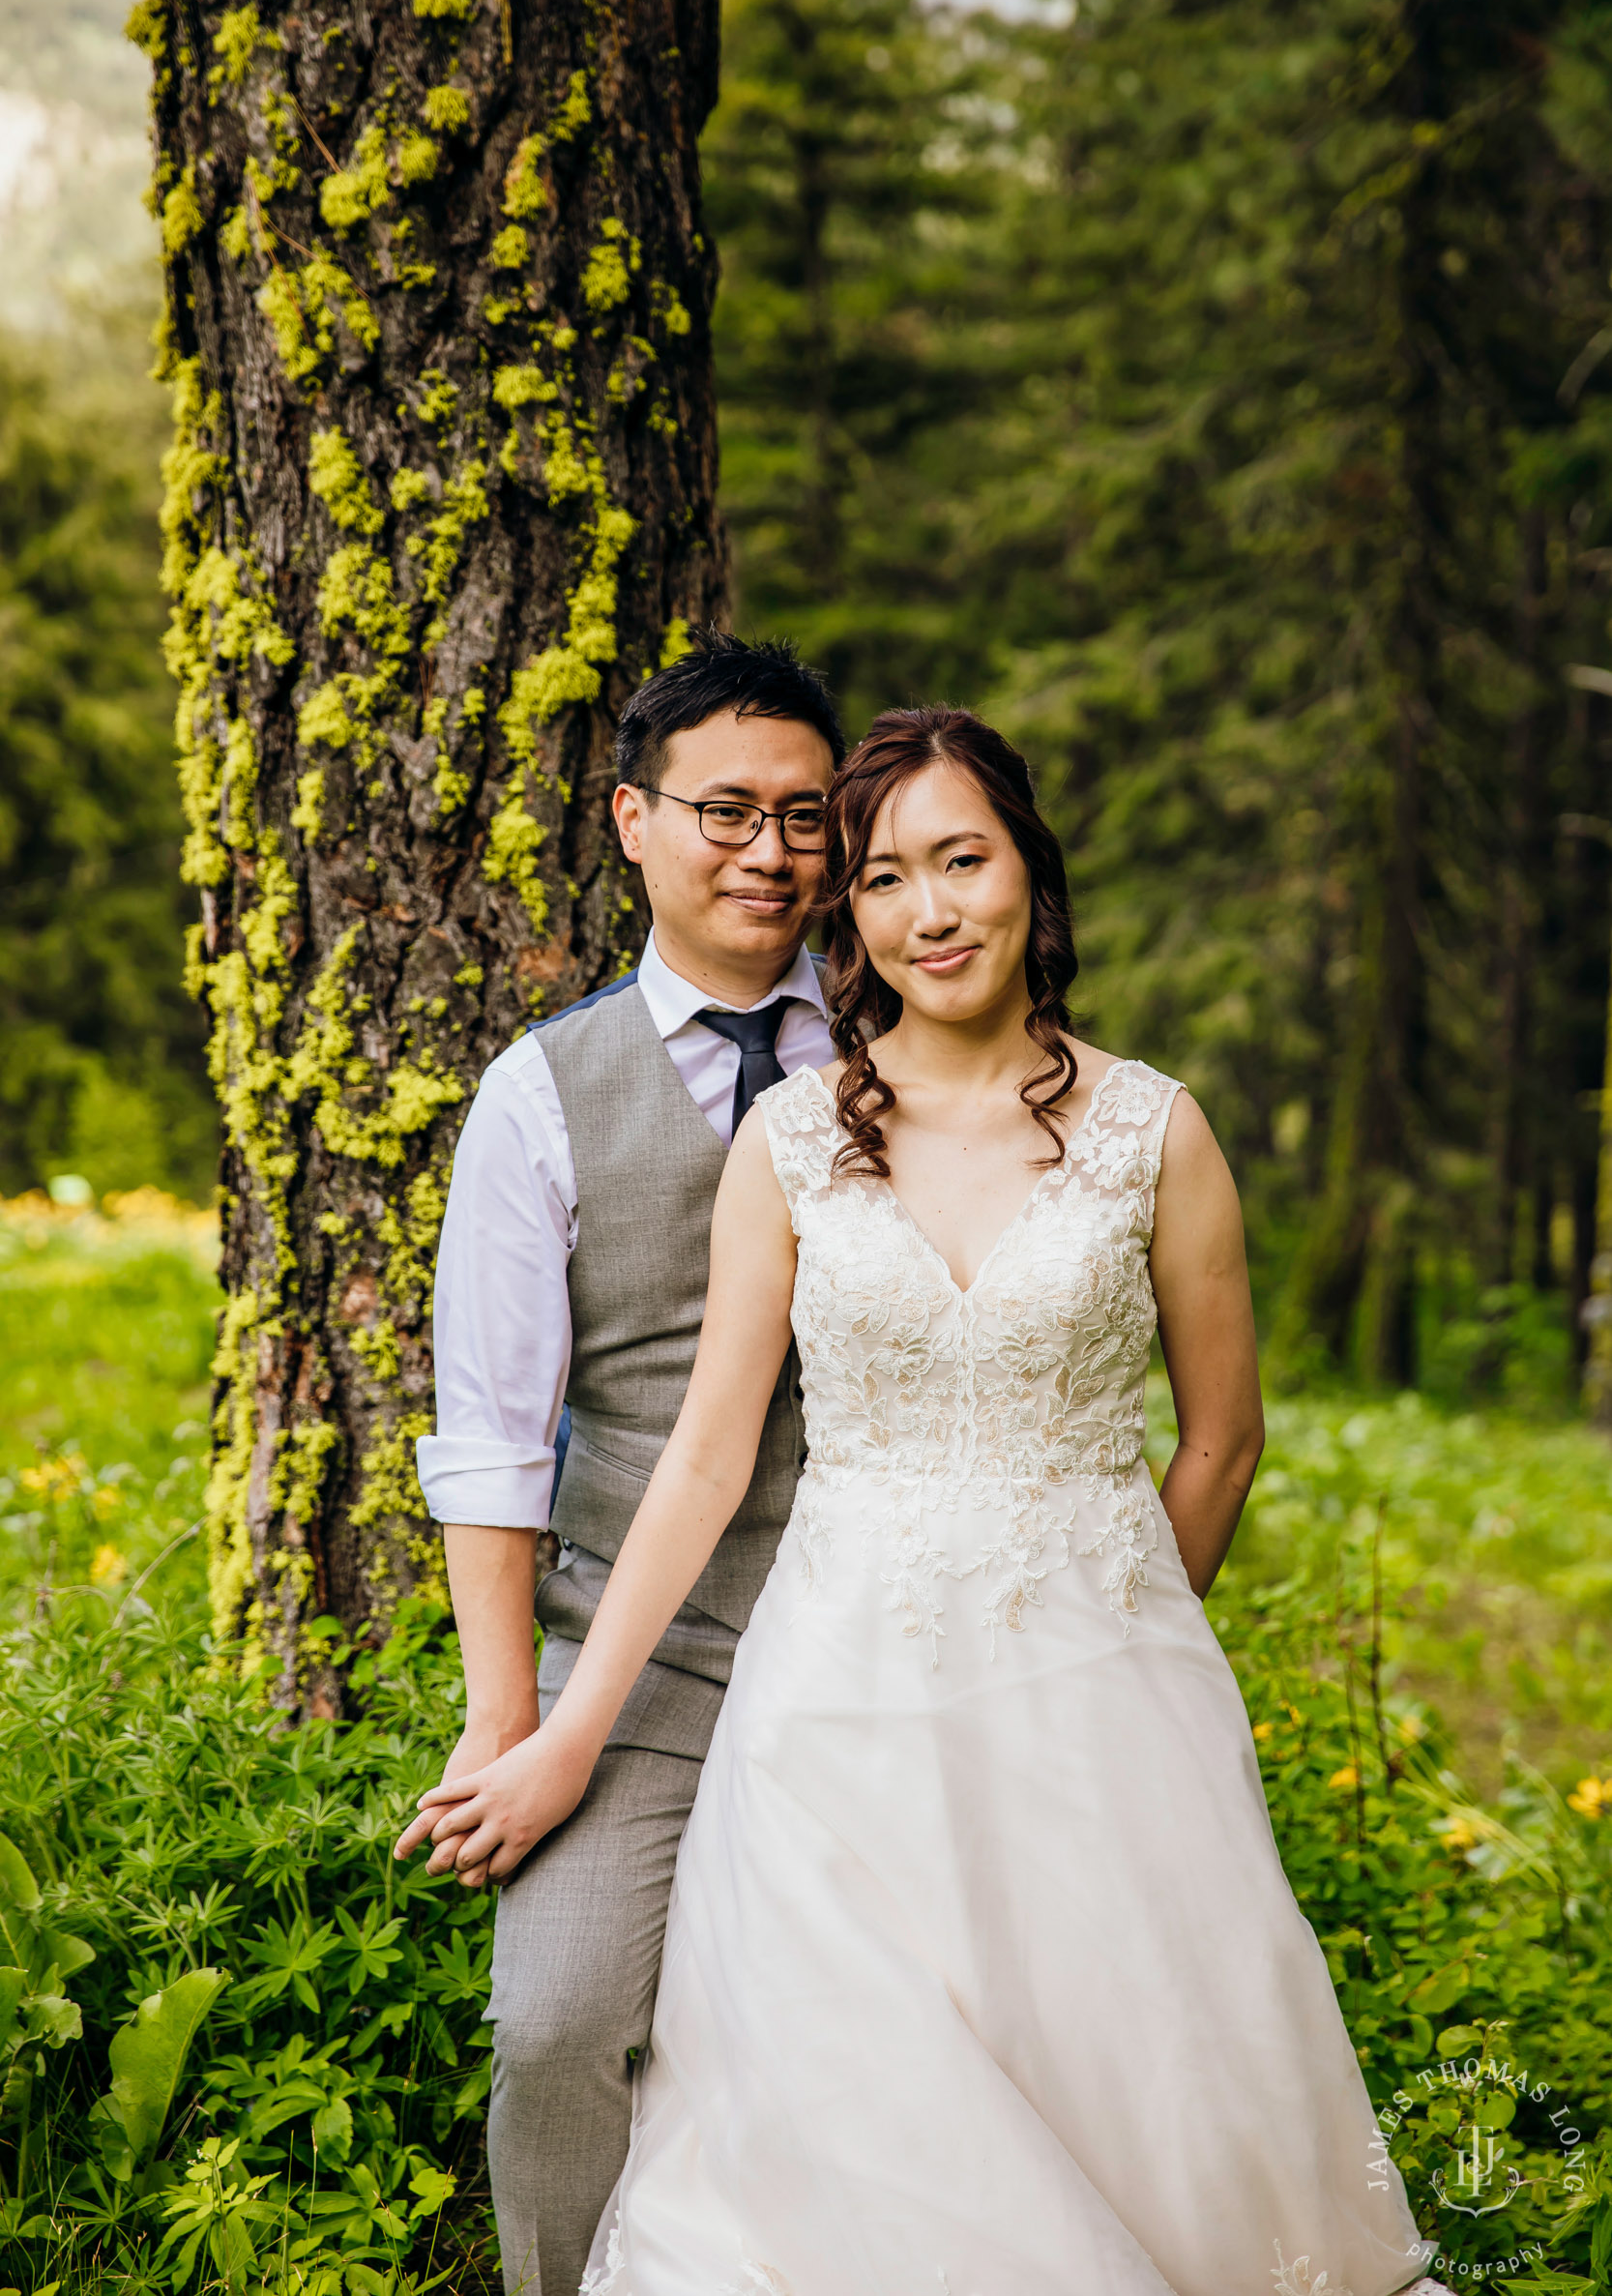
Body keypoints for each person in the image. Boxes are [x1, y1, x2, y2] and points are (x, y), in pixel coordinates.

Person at [402, 706, 1450, 2296]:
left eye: (964, 860)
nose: (931, 910)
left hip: (1099, 1676)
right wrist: (542, 1729)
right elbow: (697, 1450)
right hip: (833, 1691)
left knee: (1122, 2059)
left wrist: (1111, 1635)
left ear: (1030, 865)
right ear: (853, 914)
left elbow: (1221, 1440)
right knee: (841, 2098)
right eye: (886, 878)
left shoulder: (1154, 1128)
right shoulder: (797, 1134)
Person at [399, 633, 844, 2296]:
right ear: (633, 822)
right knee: (559, 2025)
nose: (769, 853)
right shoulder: (540, 1093)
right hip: (631, 1655)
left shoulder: (894, 1052)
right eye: (726, 811)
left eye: (804, 817)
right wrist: (512, 1727)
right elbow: (496, 1442)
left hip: (865, 1616)